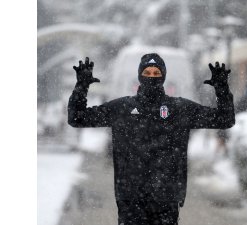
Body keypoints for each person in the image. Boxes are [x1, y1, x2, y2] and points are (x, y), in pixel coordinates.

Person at [68, 53, 235, 225]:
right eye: (147, 73)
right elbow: (77, 118)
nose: (152, 77)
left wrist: (222, 90)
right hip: (130, 198)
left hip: (166, 199)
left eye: (157, 73)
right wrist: (81, 86)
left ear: (163, 76)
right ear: (140, 75)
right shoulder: (123, 108)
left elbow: (224, 119)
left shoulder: (179, 108)